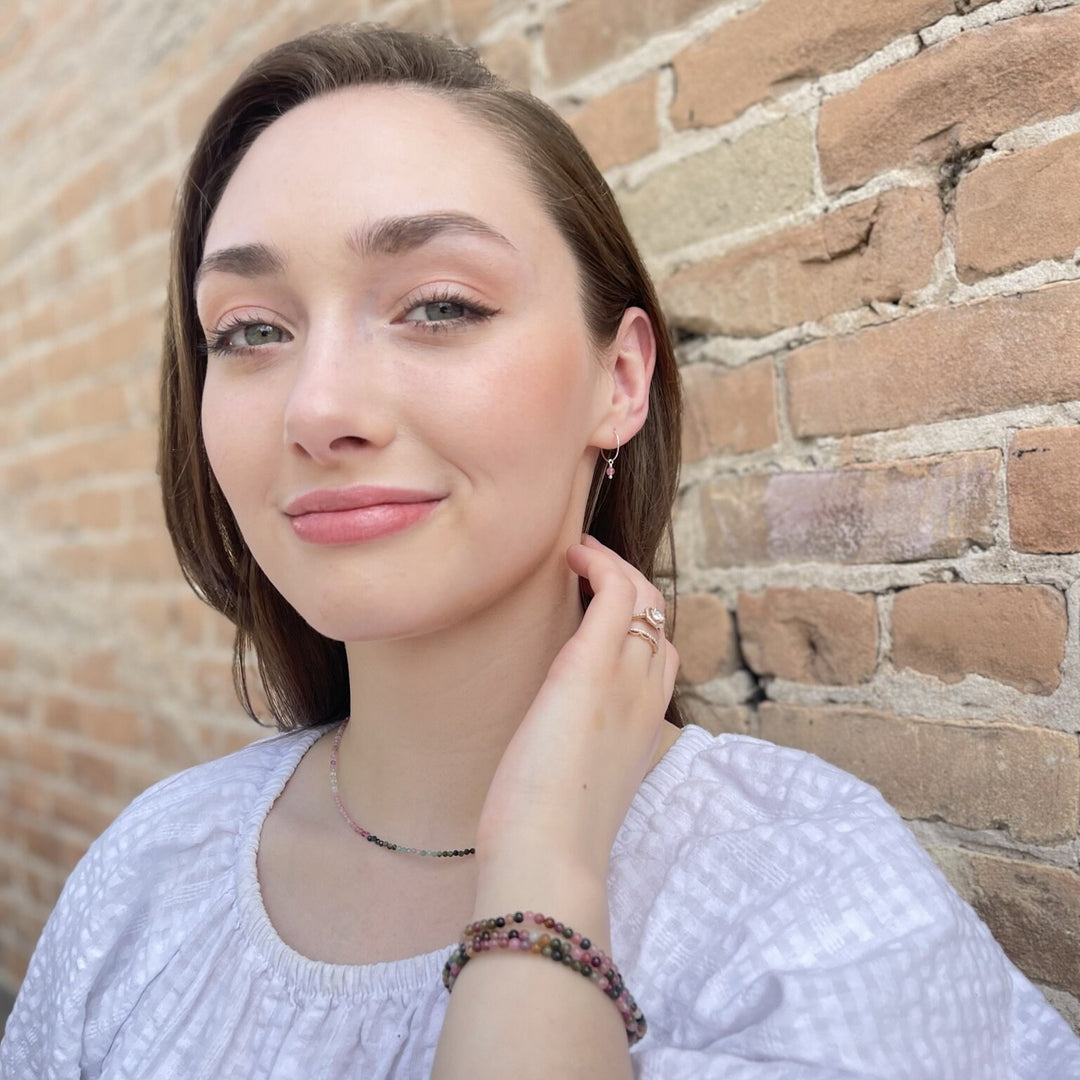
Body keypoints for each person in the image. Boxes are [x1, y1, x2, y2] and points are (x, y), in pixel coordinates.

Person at [2, 22, 1079, 1080]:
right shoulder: (150, 871)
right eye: (249, 330)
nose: (318, 408)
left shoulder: (811, 899)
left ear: (619, 382)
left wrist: (546, 869)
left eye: (439, 305)